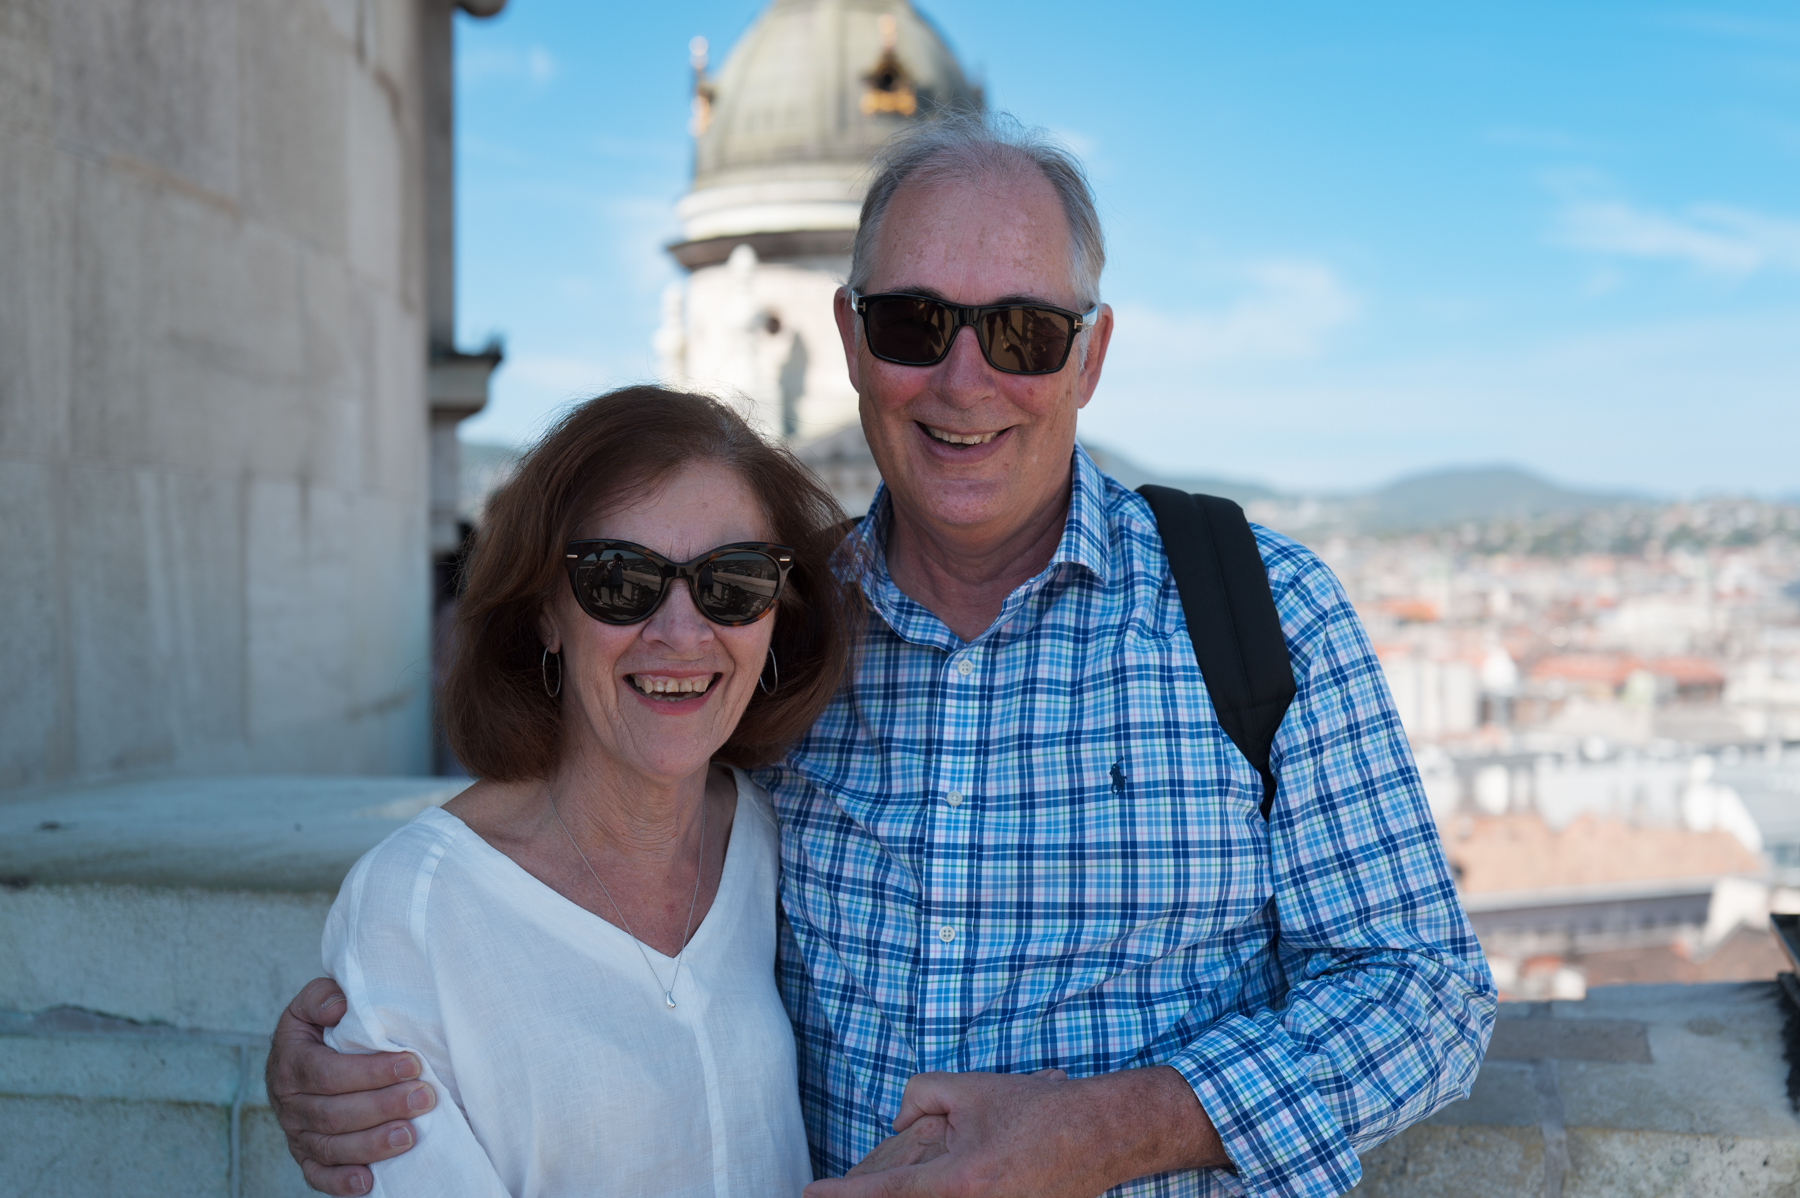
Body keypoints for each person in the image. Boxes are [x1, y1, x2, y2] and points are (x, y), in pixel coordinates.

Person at [269, 115, 1495, 1198]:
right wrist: (370, 1044)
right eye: (917, 323)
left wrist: (1103, 1134)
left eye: (1022, 331)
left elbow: (1424, 992)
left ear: (1091, 355)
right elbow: (581, 892)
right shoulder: (769, 636)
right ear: (850, 338)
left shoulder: (1259, 611)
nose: (966, 381)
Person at [309, 386, 854, 1194]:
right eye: (618, 579)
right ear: (544, 615)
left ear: (778, 610)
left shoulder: (779, 842)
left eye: (734, 581)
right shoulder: (416, 911)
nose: (681, 632)